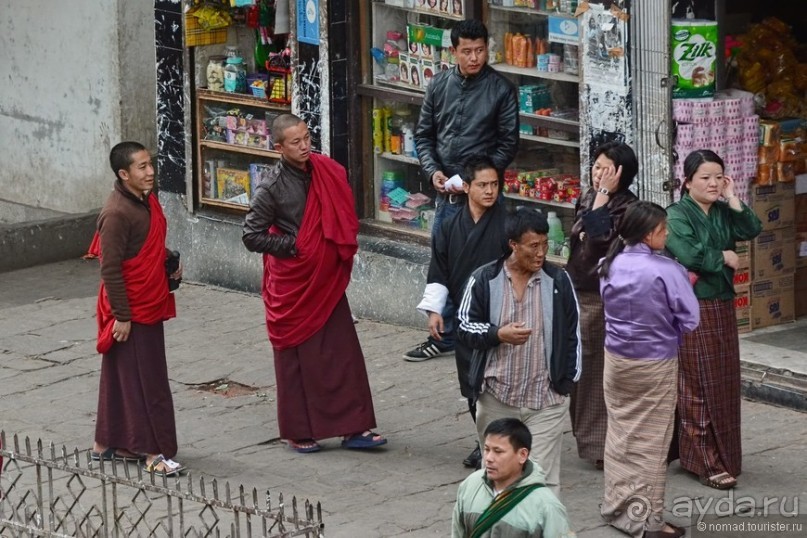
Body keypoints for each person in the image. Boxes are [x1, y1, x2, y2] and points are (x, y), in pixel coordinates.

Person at [242, 114, 386, 454]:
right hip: (294, 282)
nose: (305, 146)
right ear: (278, 147)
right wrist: (294, 247)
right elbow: (251, 235)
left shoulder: (325, 170)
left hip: (325, 277)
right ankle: (299, 429)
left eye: (307, 138)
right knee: (296, 359)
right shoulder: (271, 187)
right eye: (296, 142)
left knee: (342, 352)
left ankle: (354, 427)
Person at [406, 19, 518, 363]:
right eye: (467, 51)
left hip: (482, 193)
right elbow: (424, 135)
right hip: (447, 193)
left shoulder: (500, 89)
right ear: (453, 51)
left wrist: (477, 180)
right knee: (445, 261)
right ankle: (445, 334)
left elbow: (508, 144)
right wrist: (433, 171)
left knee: (485, 264)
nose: (474, 58)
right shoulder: (439, 84)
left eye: (480, 50)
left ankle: (481, 331)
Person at [457, 209, 582, 499]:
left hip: (546, 400)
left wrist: (567, 384)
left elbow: (574, 334)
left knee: (542, 481)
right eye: (533, 246)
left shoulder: (558, 281)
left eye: (544, 244)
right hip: (498, 398)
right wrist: (497, 334)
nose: (541, 253)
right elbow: (464, 326)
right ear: (513, 245)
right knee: (497, 478)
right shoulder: (484, 279)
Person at [598, 202, 699, 538]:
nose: (667, 233)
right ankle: (647, 521)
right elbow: (690, 319)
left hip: (616, 361)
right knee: (651, 442)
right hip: (654, 362)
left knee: (621, 434)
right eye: (662, 229)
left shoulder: (609, 263)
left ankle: (616, 507)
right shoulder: (667, 269)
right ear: (647, 233)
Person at [665, 149, 762, 490]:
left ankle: (725, 456)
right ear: (687, 181)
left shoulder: (722, 210)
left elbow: (752, 227)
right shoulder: (676, 214)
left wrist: (733, 197)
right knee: (696, 384)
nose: (712, 183)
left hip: (720, 303)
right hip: (692, 306)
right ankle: (705, 462)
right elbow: (688, 253)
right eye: (704, 177)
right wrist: (724, 256)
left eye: (718, 176)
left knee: (723, 382)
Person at [89, 141, 184, 477]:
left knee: (122, 376)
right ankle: (151, 450)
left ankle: (109, 442)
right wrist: (122, 316)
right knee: (147, 380)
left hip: (148, 298)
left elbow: (148, 243)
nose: (150, 172)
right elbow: (110, 268)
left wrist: (167, 258)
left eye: (150, 164)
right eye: (142, 167)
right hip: (131, 307)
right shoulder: (116, 213)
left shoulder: (145, 200)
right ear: (123, 174)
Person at [415, 154, 511, 469]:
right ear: (466, 186)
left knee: (500, 382)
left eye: (494, 185)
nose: (489, 191)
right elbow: (439, 266)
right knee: (471, 382)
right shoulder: (450, 225)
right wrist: (435, 309)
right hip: (466, 314)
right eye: (482, 185)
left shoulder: (508, 223)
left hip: (502, 311)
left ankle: (501, 444)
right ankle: (485, 439)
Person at [565, 141, 639, 470]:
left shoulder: (628, 207)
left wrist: (603, 199)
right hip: (579, 291)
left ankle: (607, 443)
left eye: (606, 169)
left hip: (607, 297)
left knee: (604, 372)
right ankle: (593, 441)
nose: (599, 175)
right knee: (585, 367)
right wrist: (597, 199)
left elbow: (596, 240)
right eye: (596, 167)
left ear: (622, 174)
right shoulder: (587, 197)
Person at [451, 418, 574, 538]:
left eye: (498, 451)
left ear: (522, 455)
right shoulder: (471, 484)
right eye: (487, 449)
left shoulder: (547, 506)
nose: (489, 458)